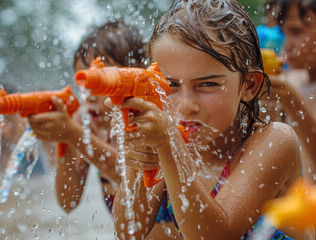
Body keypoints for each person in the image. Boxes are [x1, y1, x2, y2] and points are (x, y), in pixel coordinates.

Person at [109, 0, 312, 239]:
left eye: (207, 84)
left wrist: (168, 145)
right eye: (171, 84)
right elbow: (129, 232)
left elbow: (215, 234)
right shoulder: (170, 141)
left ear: (249, 85)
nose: (186, 105)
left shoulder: (275, 141)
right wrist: (137, 156)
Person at [28, 20, 181, 239]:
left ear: (133, 77)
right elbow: (68, 201)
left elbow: (128, 176)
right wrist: (66, 139)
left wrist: (75, 135)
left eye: (101, 82)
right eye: (83, 81)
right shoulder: (87, 126)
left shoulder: (151, 121)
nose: (89, 94)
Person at [263, 0, 316, 184]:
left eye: (296, 31)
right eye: (283, 34)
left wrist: (291, 100)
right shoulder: (291, 80)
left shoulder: (289, 89)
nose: (287, 46)